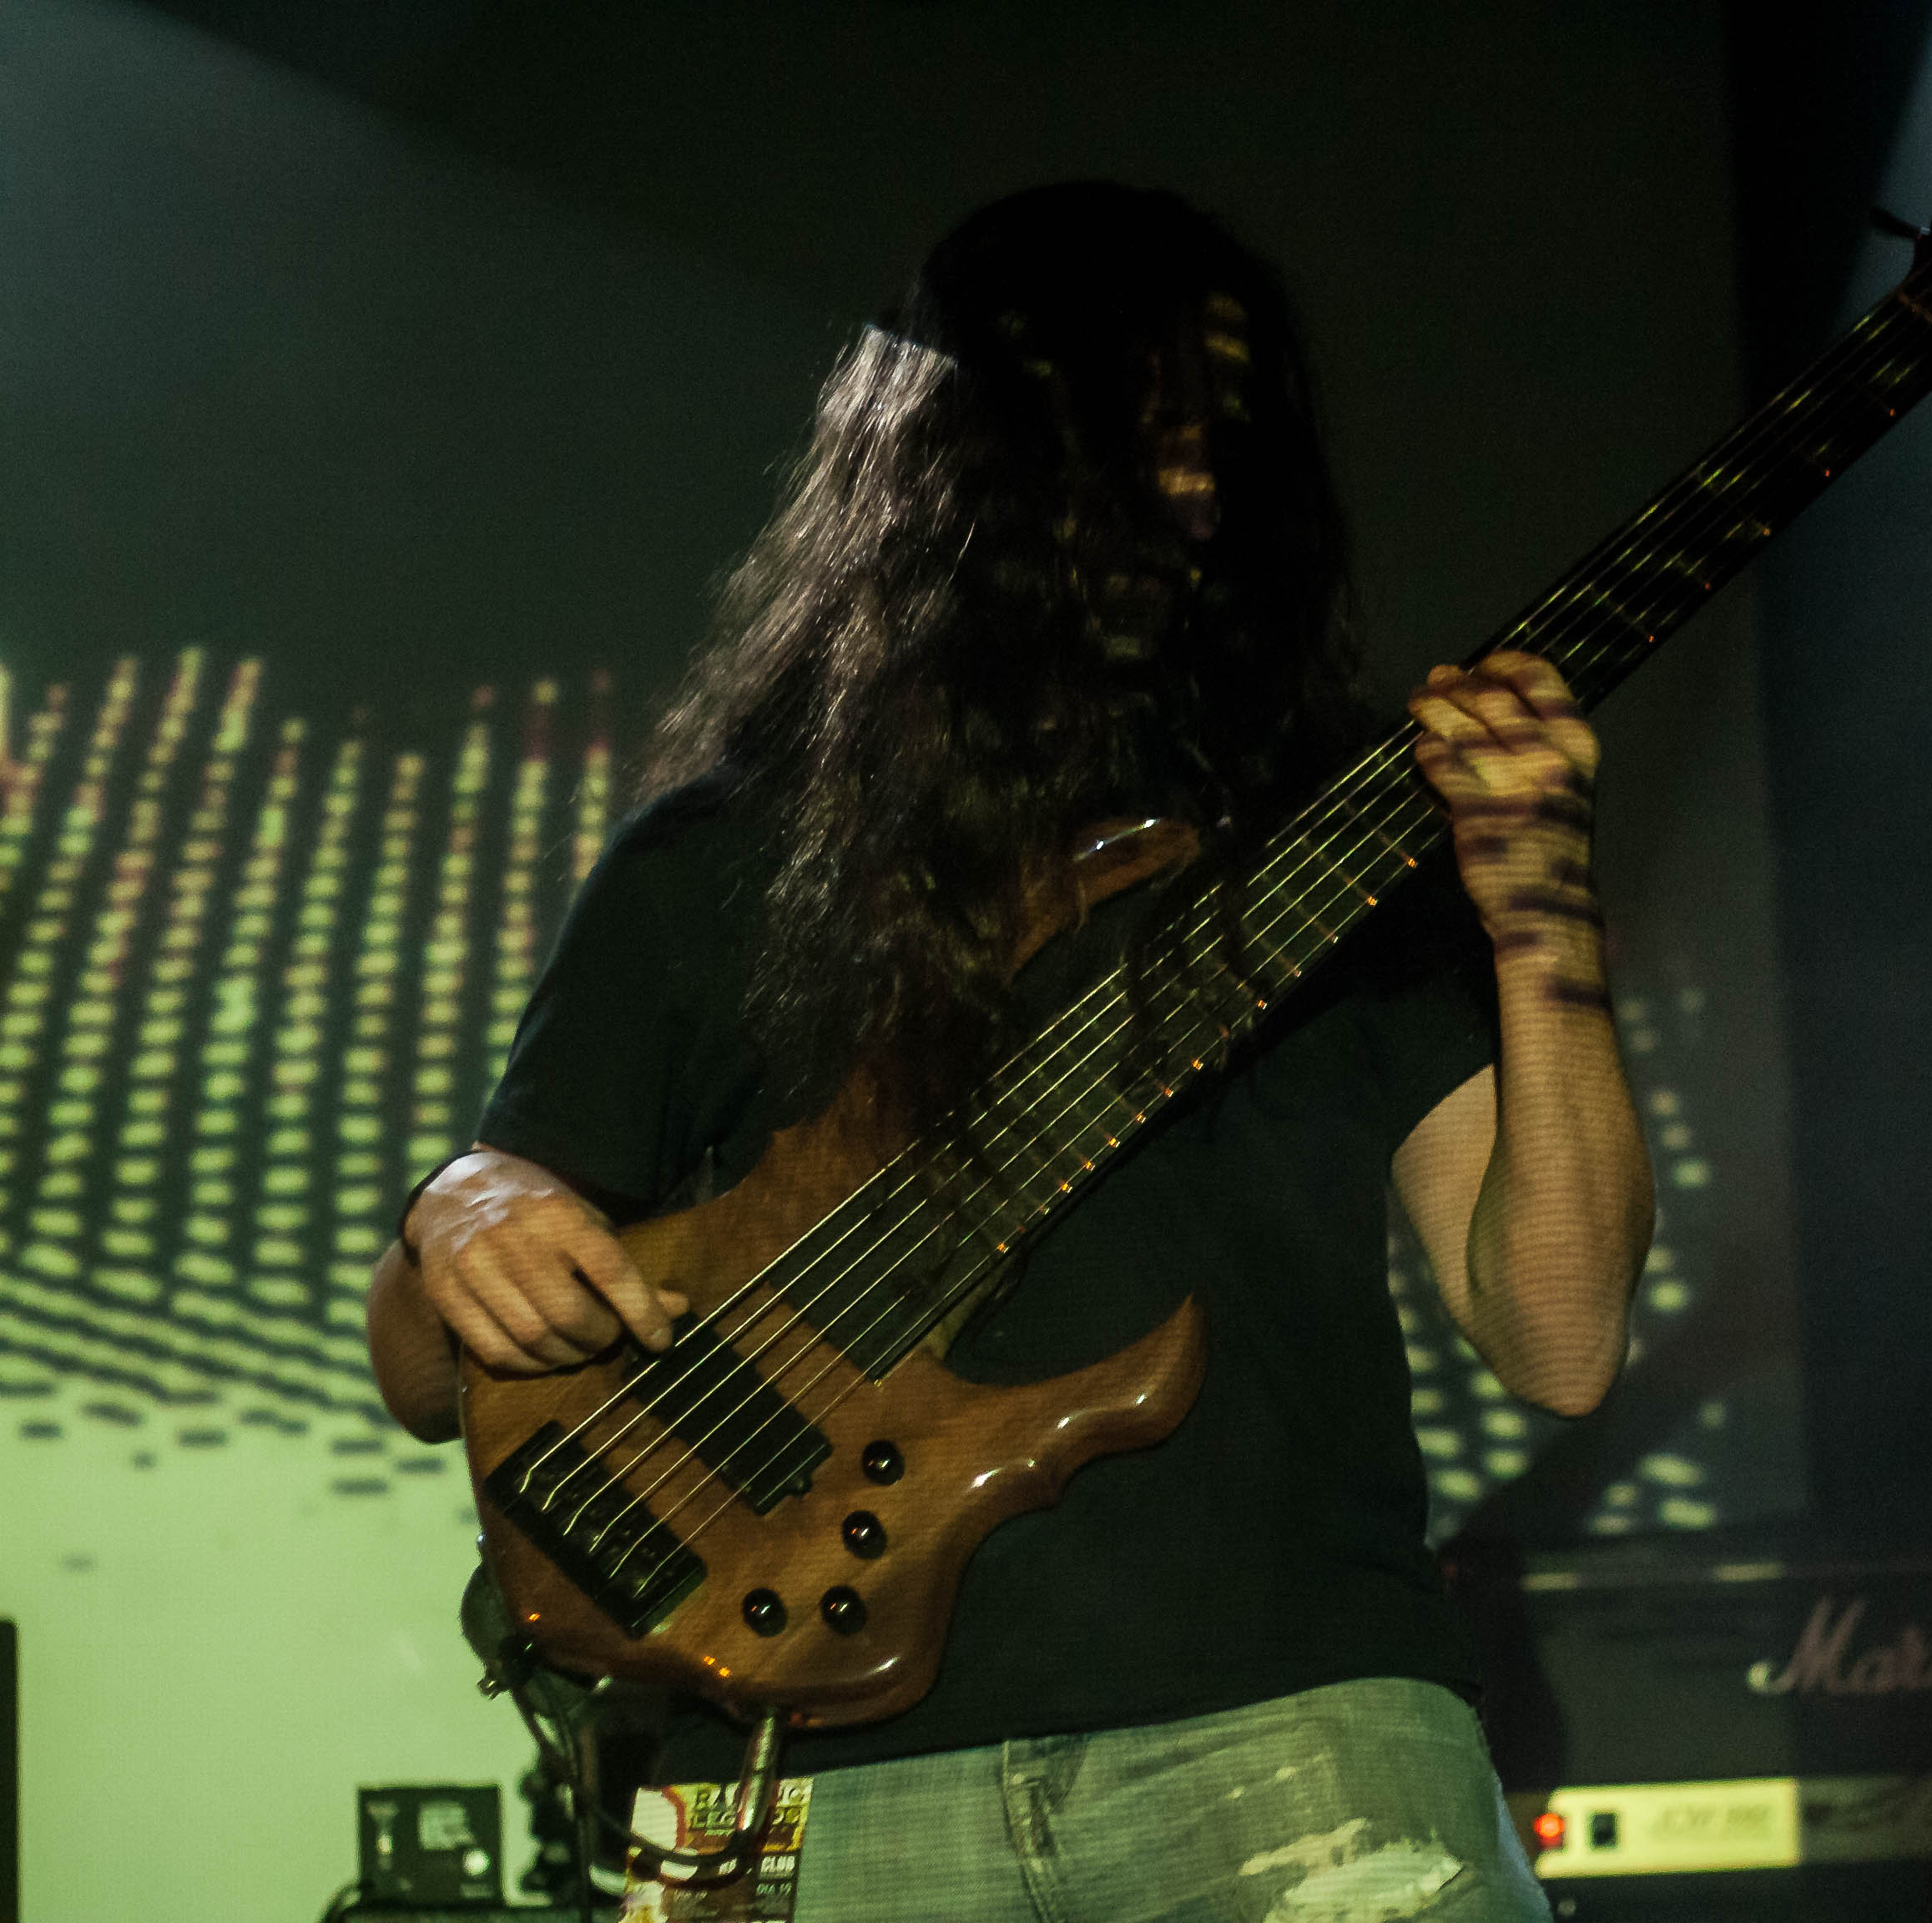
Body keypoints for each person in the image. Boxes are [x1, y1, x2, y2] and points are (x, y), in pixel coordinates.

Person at [364, 182, 1652, 1920]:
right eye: (1135, 435)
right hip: (793, 1774)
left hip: (1292, 1737)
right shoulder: (718, 861)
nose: (1190, 493)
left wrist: (1546, 924)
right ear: (962, 463)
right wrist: (459, 1207)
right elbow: (426, 1375)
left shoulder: (1339, 835)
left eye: (1217, 442)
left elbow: (1559, 1339)